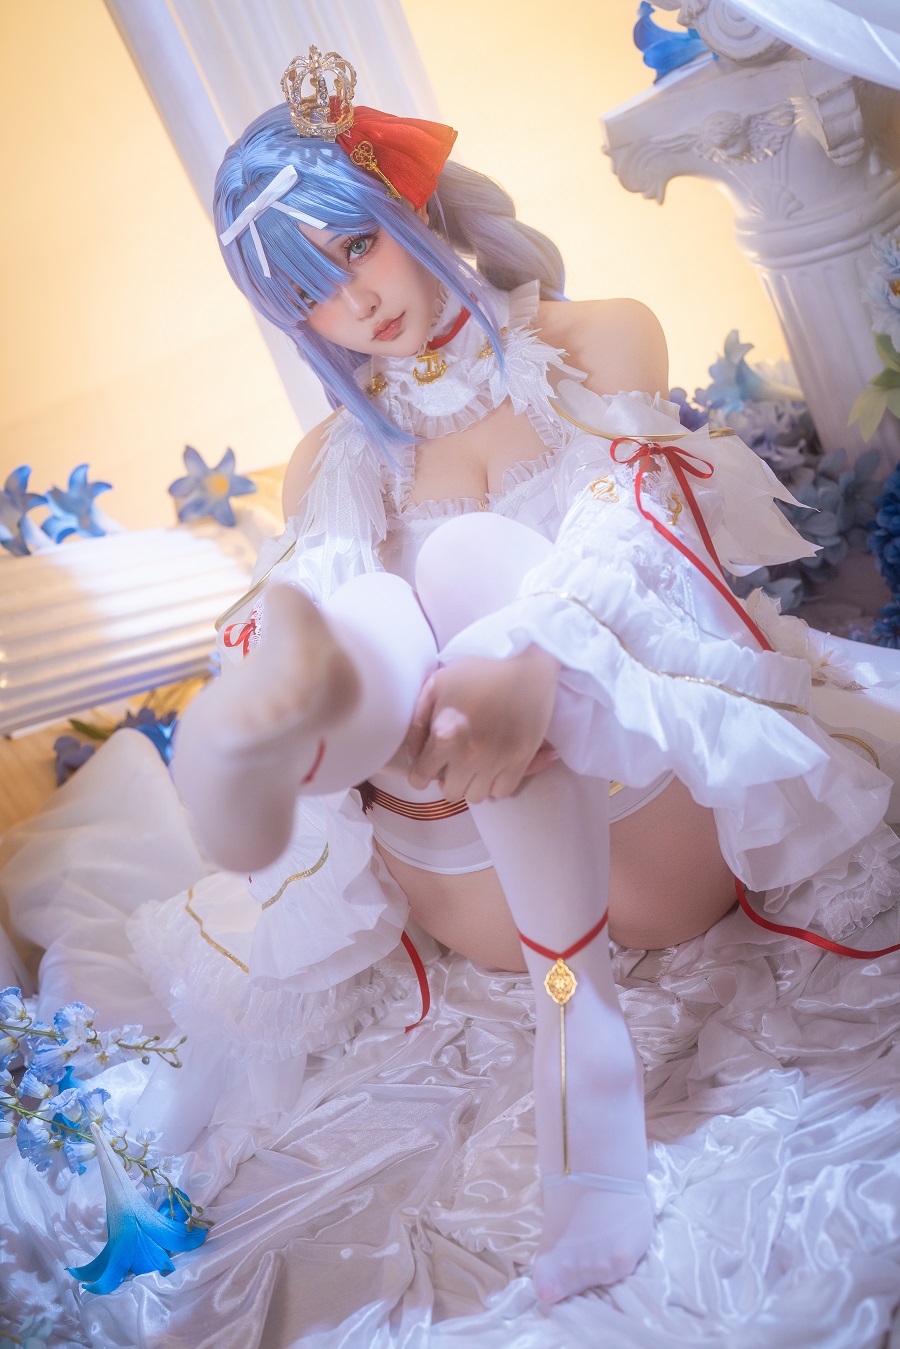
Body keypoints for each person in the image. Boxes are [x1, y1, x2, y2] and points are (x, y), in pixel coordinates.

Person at [167, 45, 900, 1307]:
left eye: (355, 247)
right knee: (364, 607)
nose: (355, 303)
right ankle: (298, 737)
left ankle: (573, 1030)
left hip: (643, 836)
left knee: (475, 572)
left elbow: (635, 543)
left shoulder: (595, 336)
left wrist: (528, 652)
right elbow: (354, 597)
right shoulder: (331, 460)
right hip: (459, 868)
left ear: (406, 201)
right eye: (310, 293)